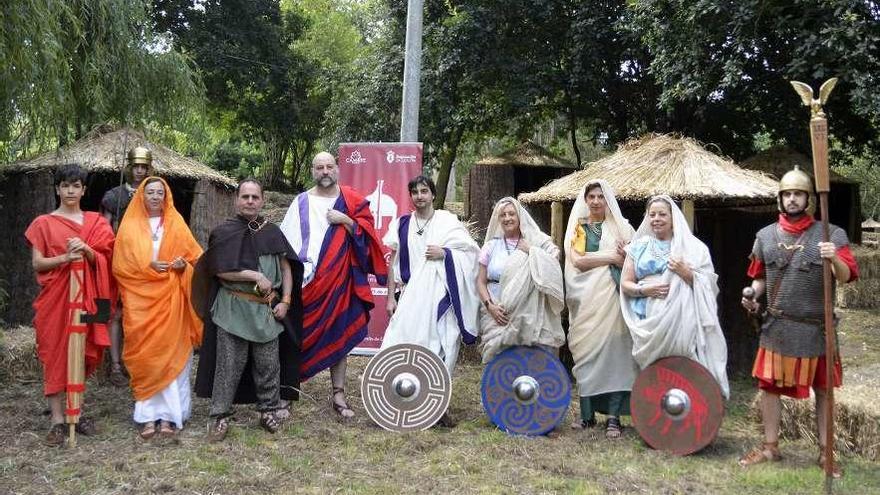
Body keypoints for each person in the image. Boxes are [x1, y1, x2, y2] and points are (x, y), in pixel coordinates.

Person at [738, 167, 858, 476]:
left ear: (808, 199)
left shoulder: (832, 233)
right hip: (778, 326)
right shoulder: (764, 236)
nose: (792, 199)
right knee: (769, 388)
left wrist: (833, 258)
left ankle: (825, 452)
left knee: (825, 389)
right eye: (787, 194)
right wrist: (752, 294)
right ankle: (770, 447)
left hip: (817, 328)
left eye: (798, 194)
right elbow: (760, 277)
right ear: (780, 199)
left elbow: (847, 278)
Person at [194, 179, 303, 442]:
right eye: (245, 197)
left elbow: (286, 266)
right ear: (237, 200)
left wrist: (286, 300)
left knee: (268, 365)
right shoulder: (225, 232)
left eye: (255, 197)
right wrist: (254, 275)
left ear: (263, 200)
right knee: (228, 366)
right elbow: (218, 269)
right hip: (233, 308)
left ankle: (268, 410)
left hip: (265, 310)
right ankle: (219, 416)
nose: (250, 201)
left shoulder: (272, 232)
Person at [279, 152, 386, 419]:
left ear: (337, 169)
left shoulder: (352, 201)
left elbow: (370, 238)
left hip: (339, 279)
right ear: (312, 171)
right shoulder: (300, 201)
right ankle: (287, 393)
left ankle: (339, 395)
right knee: (294, 338)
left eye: (329, 166)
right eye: (319, 167)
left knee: (340, 333)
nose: (325, 171)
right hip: (305, 281)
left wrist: (346, 221)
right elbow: (284, 243)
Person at [25, 163, 115, 446]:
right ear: (57, 189)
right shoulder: (43, 223)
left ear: (84, 190)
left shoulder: (97, 223)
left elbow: (108, 262)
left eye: (76, 186)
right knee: (53, 353)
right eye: (65, 186)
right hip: (54, 301)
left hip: (91, 300)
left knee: (84, 349)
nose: (70, 191)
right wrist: (66, 257)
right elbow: (38, 264)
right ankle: (56, 421)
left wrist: (87, 251)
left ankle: (76, 411)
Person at [112, 177, 203, 440]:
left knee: (173, 356)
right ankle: (147, 416)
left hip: (172, 302)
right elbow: (120, 267)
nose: (154, 197)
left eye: (159, 193)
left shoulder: (176, 224)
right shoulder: (128, 228)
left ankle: (170, 416)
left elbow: (195, 260)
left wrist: (181, 266)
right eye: (149, 192)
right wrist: (147, 268)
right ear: (141, 195)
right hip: (142, 304)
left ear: (166, 197)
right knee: (147, 358)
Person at [619, 195, 730, 397]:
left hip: (680, 315)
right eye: (652, 214)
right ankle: (657, 414)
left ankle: (690, 409)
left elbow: (708, 283)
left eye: (662, 214)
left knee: (682, 360)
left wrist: (685, 272)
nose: (657, 219)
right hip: (646, 318)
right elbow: (625, 283)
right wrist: (645, 290)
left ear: (673, 218)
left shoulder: (692, 248)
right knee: (653, 368)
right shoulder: (639, 246)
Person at [564, 180, 638, 439]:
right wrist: (611, 257)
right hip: (587, 304)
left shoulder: (622, 227)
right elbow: (578, 261)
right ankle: (587, 416)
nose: (596, 201)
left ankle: (614, 418)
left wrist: (624, 256)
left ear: (608, 200)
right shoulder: (581, 227)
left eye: (600, 197)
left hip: (613, 302)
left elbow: (634, 258)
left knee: (615, 355)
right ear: (585, 200)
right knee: (586, 355)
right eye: (591, 197)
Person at [476, 197, 564, 363]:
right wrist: (491, 307)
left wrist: (532, 251)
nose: (507, 218)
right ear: (498, 219)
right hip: (496, 312)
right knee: (500, 364)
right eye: (503, 215)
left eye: (511, 214)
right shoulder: (490, 246)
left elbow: (554, 258)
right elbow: (480, 281)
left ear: (519, 216)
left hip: (527, 311)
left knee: (531, 361)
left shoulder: (535, 242)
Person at [101, 146, 153, 386]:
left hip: (145, 262)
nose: (140, 171)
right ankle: (114, 365)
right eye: (136, 166)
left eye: (144, 167)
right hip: (118, 261)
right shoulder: (114, 196)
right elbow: (103, 231)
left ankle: (137, 363)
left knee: (140, 313)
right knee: (116, 313)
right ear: (129, 167)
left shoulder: (153, 194)